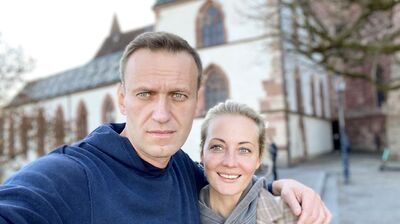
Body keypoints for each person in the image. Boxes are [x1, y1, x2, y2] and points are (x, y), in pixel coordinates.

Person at [0, 32, 331, 224]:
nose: (162, 113)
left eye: (178, 95)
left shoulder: (183, 169)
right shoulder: (71, 175)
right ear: (123, 99)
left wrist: (280, 186)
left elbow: (228, 175)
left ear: (198, 102)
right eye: (145, 94)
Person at [198, 100, 298, 223]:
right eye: (218, 147)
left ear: (259, 158)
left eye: (244, 150)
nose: (230, 163)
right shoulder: (178, 211)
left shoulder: (292, 216)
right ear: (202, 153)